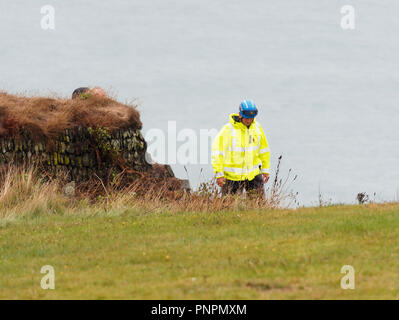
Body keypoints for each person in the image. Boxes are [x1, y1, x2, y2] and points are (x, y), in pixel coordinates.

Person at [211, 99, 270, 196]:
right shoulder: (228, 129)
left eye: (251, 118)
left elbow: (264, 150)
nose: (248, 120)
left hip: (253, 176)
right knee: (228, 208)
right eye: (246, 117)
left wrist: (265, 170)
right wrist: (219, 174)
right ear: (240, 114)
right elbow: (217, 152)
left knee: (259, 206)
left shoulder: (257, 128)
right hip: (232, 178)